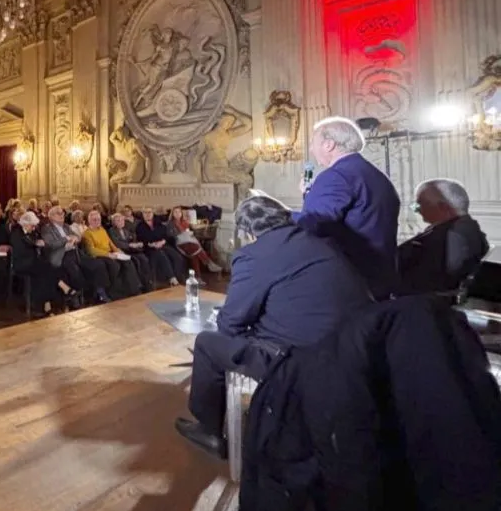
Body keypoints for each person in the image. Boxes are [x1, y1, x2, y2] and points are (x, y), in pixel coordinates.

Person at [175, 195, 371, 458]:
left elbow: (230, 323)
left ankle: (210, 431)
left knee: (207, 343)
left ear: (247, 232)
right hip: (354, 350)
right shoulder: (322, 243)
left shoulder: (255, 255)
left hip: (297, 361)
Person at [293, 116, 400, 298]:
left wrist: (274, 213)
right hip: (379, 275)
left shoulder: (336, 176)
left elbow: (313, 225)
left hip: (349, 280)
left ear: (328, 145)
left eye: (313, 142)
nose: (311, 149)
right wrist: (309, 195)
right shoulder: (373, 174)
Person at [398, 179, 489, 295]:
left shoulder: (454, 234)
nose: (416, 210)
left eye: (419, 205)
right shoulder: (464, 228)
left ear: (443, 207)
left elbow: (449, 278)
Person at [11, 211, 81, 314]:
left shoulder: (33, 232)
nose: (34, 228)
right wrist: (36, 244)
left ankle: (47, 305)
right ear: (25, 224)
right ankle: (64, 289)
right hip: (22, 263)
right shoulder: (16, 233)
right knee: (47, 268)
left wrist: (39, 243)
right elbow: (22, 249)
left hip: (34, 262)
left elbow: (39, 242)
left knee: (47, 272)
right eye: (32, 226)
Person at [40, 205, 99, 300]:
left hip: (74, 251)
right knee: (74, 268)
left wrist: (75, 239)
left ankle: (92, 293)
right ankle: (78, 294)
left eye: (62, 213)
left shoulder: (66, 226)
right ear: (51, 217)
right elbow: (51, 244)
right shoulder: (47, 228)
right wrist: (66, 238)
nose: (62, 215)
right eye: (58, 213)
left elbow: (78, 237)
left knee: (93, 264)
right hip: (60, 254)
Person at [82, 210, 142, 297]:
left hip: (110, 252)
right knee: (115, 266)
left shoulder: (102, 229)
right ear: (89, 221)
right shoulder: (87, 233)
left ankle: (133, 289)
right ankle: (115, 293)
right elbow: (91, 250)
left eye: (98, 219)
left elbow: (110, 243)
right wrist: (108, 254)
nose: (97, 221)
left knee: (128, 262)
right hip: (100, 255)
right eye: (94, 220)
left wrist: (117, 250)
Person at [108, 213, 158, 291]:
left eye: (122, 220)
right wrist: (130, 245)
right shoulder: (111, 231)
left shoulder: (126, 230)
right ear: (114, 222)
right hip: (121, 251)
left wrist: (137, 244)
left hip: (131, 250)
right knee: (136, 261)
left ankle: (148, 282)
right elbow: (116, 243)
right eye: (118, 220)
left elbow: (132, 238)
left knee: (144, 259)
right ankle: (138, 285)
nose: (121, 222)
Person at [167, 207, 222, 275]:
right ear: (172, 214)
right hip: (180, 242)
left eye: (179, 212)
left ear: (181, 213)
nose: (178, 214)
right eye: (175, 212)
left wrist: (188, 229)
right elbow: (170, 235)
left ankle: (198, 276)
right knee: (195, 247)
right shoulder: (170, 223)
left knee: (194, 254)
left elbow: (189, 230)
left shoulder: (184, 222)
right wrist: (182, 232)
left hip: (188, 240)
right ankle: (208, 263)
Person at [136, 208, 185, 283]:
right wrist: (150, 244)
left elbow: (166, 235)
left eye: (149, 212)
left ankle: (179, 277)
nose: (148, 214)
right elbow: (140, 239)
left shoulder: (158, 223)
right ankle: (172, 278)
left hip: (162, 244)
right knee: (161, 255)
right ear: (142, 215)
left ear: (153, 214)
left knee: (177, 256)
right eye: (145, 213)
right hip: (149, 247)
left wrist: (162, 241)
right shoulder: (140, 226)